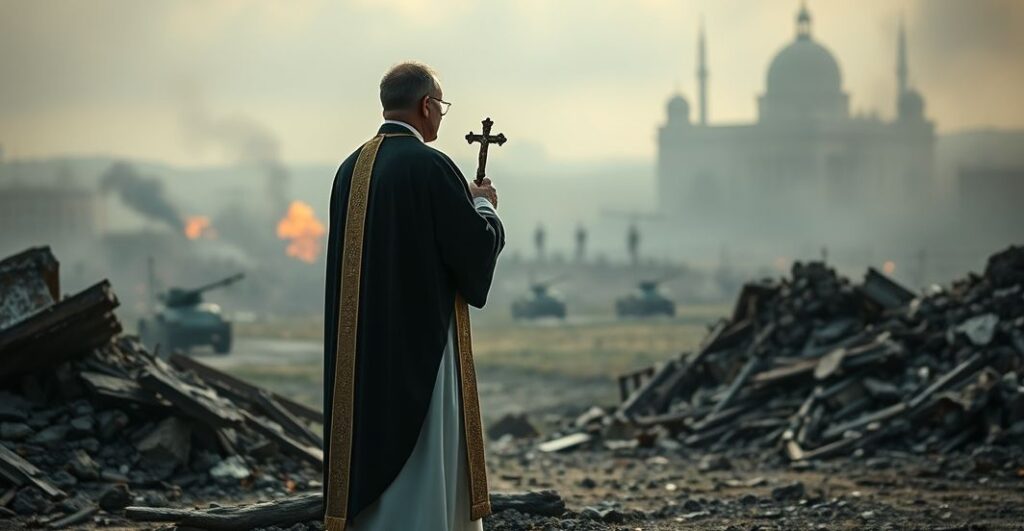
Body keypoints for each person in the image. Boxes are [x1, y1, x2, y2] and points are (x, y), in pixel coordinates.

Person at [322, 62, 504, 530]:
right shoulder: (431, 164)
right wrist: (483, 205)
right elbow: (472, 247)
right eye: (440, 107)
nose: (441, 118)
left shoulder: (352, 169)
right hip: (420, 348)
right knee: (426, 452)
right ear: (426, 106)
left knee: (372, 442)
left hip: (363, 351)